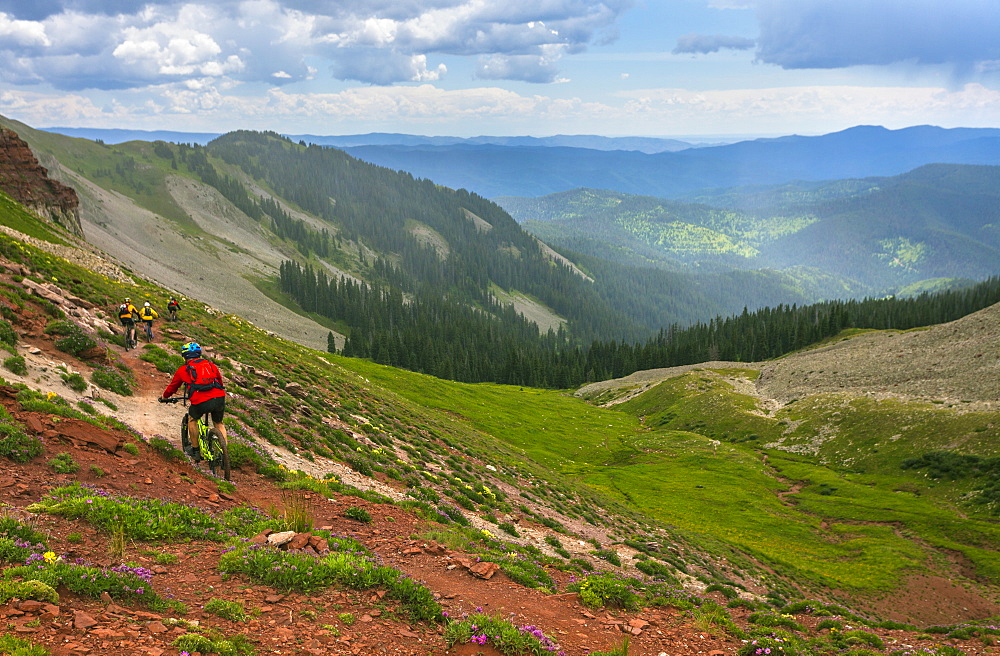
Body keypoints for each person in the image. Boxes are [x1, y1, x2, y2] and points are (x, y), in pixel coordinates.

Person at [159, 342, 228, 462]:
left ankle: (195, 450)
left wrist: (165, 397)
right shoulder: (211, 365)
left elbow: (173, 387)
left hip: (200, 400)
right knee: (219, 423)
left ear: (184, 357)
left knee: (192, 419)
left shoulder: (183, 370)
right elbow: (220, 382)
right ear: (199, 355)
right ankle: (224, 454)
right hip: (219, 397)